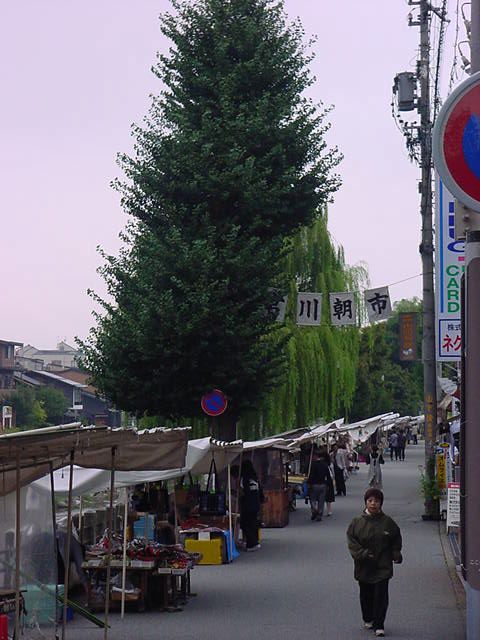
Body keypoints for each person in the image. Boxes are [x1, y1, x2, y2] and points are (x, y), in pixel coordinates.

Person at [346, 488, 403, 637]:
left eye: (376, 501)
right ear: (365, 502)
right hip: (364, 565)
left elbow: (396, 538)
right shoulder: (357, 522)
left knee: (381, 595)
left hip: (383, 565)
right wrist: (363, 554)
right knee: (366, 594)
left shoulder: (388, 522)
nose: (373, 504)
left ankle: (379, 624)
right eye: (370, 501)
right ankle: (368, 618)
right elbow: (352, 542)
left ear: (381, 503)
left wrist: (396, 553)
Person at [237, 460, 262, 551]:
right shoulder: (255, 478)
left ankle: (251, 544)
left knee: (246, 524)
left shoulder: (244, 479)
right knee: (254, 523)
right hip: (256, 503)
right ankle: (255, 542)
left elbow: (242, 492)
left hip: (247, 504)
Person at [307, 448, 330, 521]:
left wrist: (309, 483)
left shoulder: (313, 464)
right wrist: (328, 484)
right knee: (321, 500)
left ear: (316, 456)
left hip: (314, 484)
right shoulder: (325, 465)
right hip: (323, 484)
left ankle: (314, 510)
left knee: (312, 499)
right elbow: (328, 476)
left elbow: (311, 475)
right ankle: (319, 514)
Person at [323, 451, 336, 516]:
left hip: (323, 480)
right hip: (329, 481)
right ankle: (329, 510)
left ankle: (320, 509)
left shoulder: (322, 464)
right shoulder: (330, 465)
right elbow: (332, 474)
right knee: (328, 497)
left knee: (321, 496)